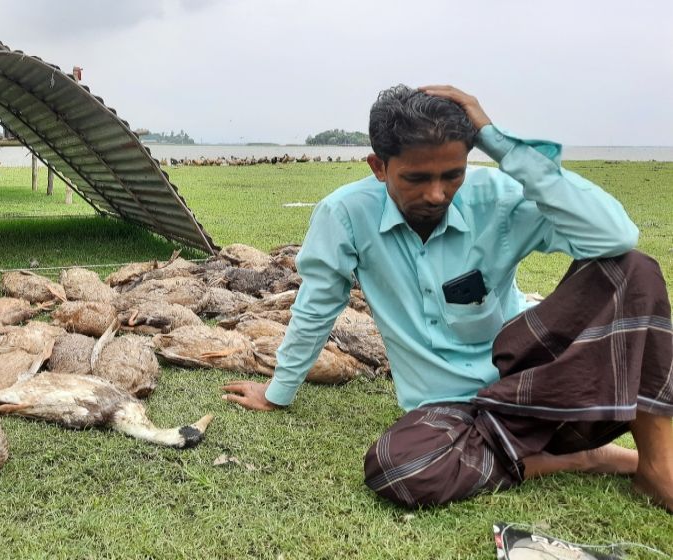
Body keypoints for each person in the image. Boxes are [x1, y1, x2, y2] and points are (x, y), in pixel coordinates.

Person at [221, 84, 673, 512]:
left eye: (452, 175)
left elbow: (615, 235)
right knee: (400, 469)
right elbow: (317, 306)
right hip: (446, 409)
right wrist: (278, 393)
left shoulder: (495, 197)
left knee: (631, 269)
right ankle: (575, 459)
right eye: (416, 178)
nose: (437, 194)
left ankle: (656, 467)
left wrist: (500, 144)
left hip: (531, 383)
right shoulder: (344, 214)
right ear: (378, 167)